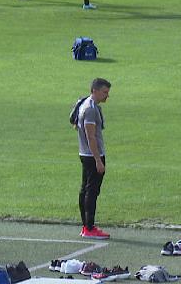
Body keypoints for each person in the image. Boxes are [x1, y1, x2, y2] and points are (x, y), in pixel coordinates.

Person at [73, 77, 112, 240]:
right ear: (95, 91)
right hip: (92, 155)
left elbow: (74, 122)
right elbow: (91, 136)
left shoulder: (83, 103)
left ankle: (86, 226)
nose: (107, 96)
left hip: (85, 153)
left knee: (86, 190)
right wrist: (98, 160)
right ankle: (89, 227)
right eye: (104, 92)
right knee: (91, 191)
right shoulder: (90, 109)